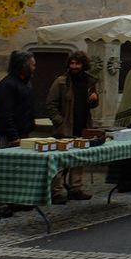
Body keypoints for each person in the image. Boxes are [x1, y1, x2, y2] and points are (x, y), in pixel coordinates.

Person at [45, 50, 99, 203]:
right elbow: (51, 104)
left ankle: (76, 188)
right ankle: (57, 192)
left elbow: (92, 104)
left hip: (83, 125)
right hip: (65, 127)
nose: (74, 66)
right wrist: (59, 122)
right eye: (72, 63)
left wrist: (94, 100)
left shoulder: (89, 81)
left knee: (78, 158)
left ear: (83, 64)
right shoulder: (61, 82)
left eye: (77, 63)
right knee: (61, 160)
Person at [0, 51, 38, 217]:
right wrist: (13, 136)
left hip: (24, 132)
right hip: (10, 135)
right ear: (23, 65)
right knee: (5, 169)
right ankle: (0, 203)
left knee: (19, 169)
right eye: (32, 64)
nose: (34, 67)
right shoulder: (7, 85)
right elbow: (5, 114)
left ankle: (17, 199)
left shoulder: (26, 84)